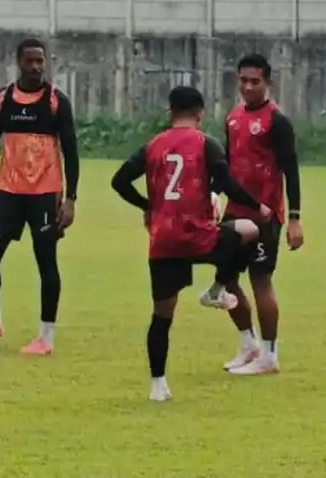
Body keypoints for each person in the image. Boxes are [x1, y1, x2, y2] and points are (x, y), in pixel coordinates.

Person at [111, 85, 272, 401]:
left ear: (169, 113)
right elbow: (226, 184)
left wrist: (148, 206)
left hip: (164, 240)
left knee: (161, 316)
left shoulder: (152, 145)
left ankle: (158, 385)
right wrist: (258, 205)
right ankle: (217, 288)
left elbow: (119, 181)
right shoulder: (205, 144)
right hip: (200, 235)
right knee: (250, 229)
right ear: (201, 113)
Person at [0, 38, 80, 355]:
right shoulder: (3, 100)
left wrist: (70, 199)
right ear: (18, 62)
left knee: (46, 263)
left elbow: (70, 152)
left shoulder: (57, 101)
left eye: (40, 61)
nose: (36, 67)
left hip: (44, 194)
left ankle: (46, 337)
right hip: (9, 193)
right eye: (29, 61)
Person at [199, 54, 304, 376]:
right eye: (243, 80)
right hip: (235, 210)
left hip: (265, 215)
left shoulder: (277, 121)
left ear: (268, 83)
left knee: (261, 280)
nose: (247, 87)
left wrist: (295, 218)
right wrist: (215, 194)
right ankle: (249, 344)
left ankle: (270, 356)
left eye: (254, 81)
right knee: (226, 277)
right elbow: (226, 166)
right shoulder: (232, 118)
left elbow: (291, 168)